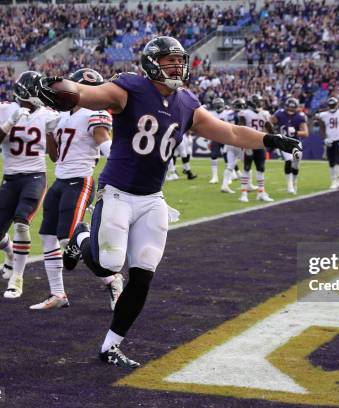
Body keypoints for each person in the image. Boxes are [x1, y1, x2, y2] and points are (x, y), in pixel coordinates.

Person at [35, 36, 301, 367]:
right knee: (108, 264)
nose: (177, 66)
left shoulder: (187, 103)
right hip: (117, 191)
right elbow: (91, 94)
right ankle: (81, 234)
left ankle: (110, 346)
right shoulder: (129, 88)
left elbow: (229, 132)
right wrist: (62, 87)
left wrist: (270, 139)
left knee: (143, 275)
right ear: (150, 63)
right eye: (168, 61)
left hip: (152, 199)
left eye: (180, 60)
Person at [31, 68, 115, 311]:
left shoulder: (95, 113)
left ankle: (112, 279)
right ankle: (58, 294)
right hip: (60, 180)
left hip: (80, 180)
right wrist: (48, 132)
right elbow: (55, 156)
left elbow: (104, 144)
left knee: (69, 237)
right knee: (48, 236)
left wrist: (121, 167)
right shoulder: (64, 116)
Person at [0, 71, 60, 298]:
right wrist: (10, 122)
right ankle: (10, 253)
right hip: (10, 178)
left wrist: (52, 132)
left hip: (34, 176)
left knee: (22, 222)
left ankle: (17, 278)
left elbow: (55, 158)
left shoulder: (48, 115)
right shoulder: (4, 109)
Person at [237, 93, 274, 202]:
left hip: (260, 143)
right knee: (247, 168)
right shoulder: (245, 113)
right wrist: (243, 143)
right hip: (249, 143)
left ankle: (261, 193)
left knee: (261, 168)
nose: (260, 103)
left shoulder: (264, 113)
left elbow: (270, 128)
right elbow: (240, 129)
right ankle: (243, 194)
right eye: (258, 101)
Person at [271, 97, 309, 194]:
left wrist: (296, 132)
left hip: (296, 143)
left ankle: (294, 182)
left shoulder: (300, 116)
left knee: (295, 165)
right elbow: (271, 122)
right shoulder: (279, 113)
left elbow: (305, 133)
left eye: (292, 109)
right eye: (288, 109)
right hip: (284, 141)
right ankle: (290, 185)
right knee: (288, 160)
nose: (290, 111)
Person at [317, 97, 339, 191]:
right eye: (330, 105)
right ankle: (333, 181)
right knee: (331, 161)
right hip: (330, 140)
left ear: (337, 105)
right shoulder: (323, 115)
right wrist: (325, 138)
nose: (332, 106)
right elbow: (322, 128)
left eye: (333, 105)